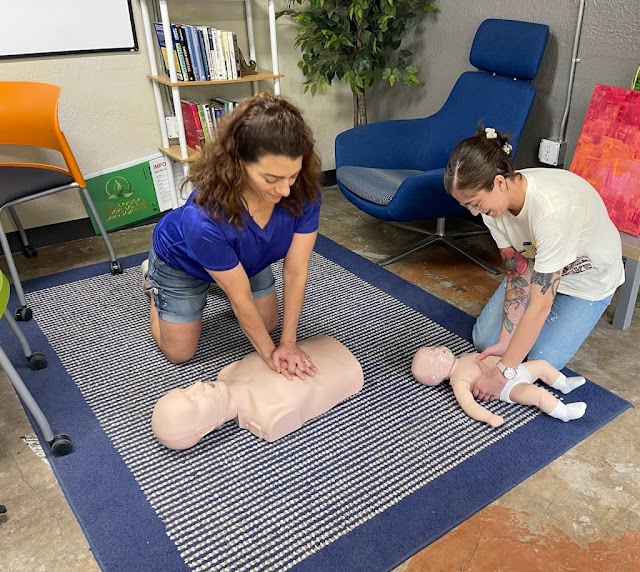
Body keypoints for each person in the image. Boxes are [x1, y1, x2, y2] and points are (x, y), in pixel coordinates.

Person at [144, 91, 321, 378]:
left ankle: (221, 279)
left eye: (292, 175)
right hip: (181, 263)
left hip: (247, 259)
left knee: (268, 325)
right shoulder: (203, 219)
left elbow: (296, 270)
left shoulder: (304, 193)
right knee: (179, 353)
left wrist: (287, 343)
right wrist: (270, 355)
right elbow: (239, 297)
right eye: (271, 179)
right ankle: (155, 288)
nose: (286, 190)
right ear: (238, 162)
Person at [443, 125, 624, 402]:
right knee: (486, 341)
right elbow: (517, 270)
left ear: (500, 183)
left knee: (544, 358)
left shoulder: (552, 212)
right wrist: (505, 340)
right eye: (467, 206)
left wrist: (504, 372)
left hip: (586, 282)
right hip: (538, 268)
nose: (474, 213)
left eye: (475, 203)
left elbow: (540, 305)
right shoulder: (493, 208)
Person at [151, 335, 364, 449]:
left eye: (186, 389)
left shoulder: (227, 373)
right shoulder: (268, 419)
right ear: (204, 429)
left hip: (319, 346)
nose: (197, 385)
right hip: (348, 370)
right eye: (193, 401)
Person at [411, 345, 587, 428]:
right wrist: (488, 417)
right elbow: (469, 405)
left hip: (516, 368)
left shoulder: (463, 356)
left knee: (541, 365)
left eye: (434, 348)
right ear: (435, 375)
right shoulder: (459, 381)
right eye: (434, 356)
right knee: (538, 395)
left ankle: (563, 384)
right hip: (510, 387)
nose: (438, 350)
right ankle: (564, 413)